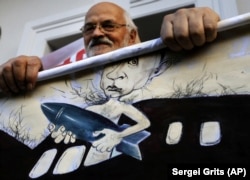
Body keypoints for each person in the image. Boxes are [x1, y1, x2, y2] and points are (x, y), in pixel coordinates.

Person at [0, 2, 220, 95]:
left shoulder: (164, 66)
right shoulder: (69, 78)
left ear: (132, 35)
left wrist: (205, 24)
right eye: (89, 28)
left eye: (108, 26)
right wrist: (16, 75)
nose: (96, 33)